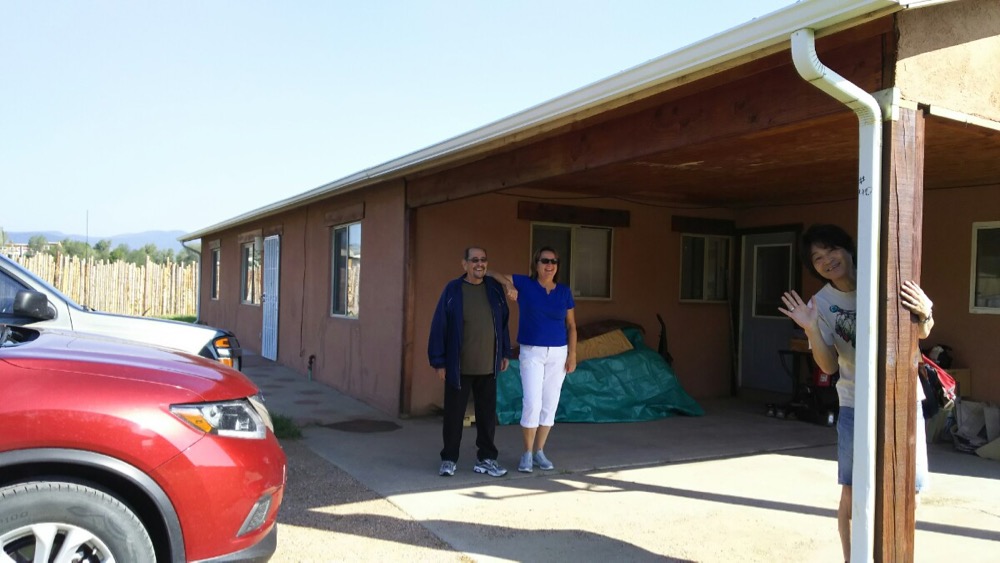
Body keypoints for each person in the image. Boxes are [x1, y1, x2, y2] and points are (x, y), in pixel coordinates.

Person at [778, 224, 934, 562]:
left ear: (849, 249)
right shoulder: (820, 304)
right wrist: (811, 328)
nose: (827, 260)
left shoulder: (884, 281)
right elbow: (828, 366)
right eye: (817, 258)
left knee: (910, 490)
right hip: (854, 403)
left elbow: (921, 332)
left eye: (831, 250)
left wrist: (926, 313)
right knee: (852, 491)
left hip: (903, 398)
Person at [490, 247, 577, 473]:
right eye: (545, 261)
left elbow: (571, 325)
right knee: (532, 402)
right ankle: (527, 453)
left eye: (554, 261)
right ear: (536, 264)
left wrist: (572, 354)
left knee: (550, 403)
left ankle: (539, 451)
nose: (550, 265)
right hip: (532, 352)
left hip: (558, 353)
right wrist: (508, 285)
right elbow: (492, 273)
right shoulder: (525, 284)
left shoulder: (564, 292)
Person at [428, 246, 512, 478]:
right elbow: (439, 325)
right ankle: (449, 459)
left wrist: (504, 352)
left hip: (488, 366)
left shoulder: (494, 289)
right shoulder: (453, 290)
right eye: (474, 260)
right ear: (464, 264)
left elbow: (503, 323)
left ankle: (486, 459)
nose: (479, 264)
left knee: (487, 417)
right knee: (454, 416)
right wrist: (439, 362)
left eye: (483, 259)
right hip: (459, 367)